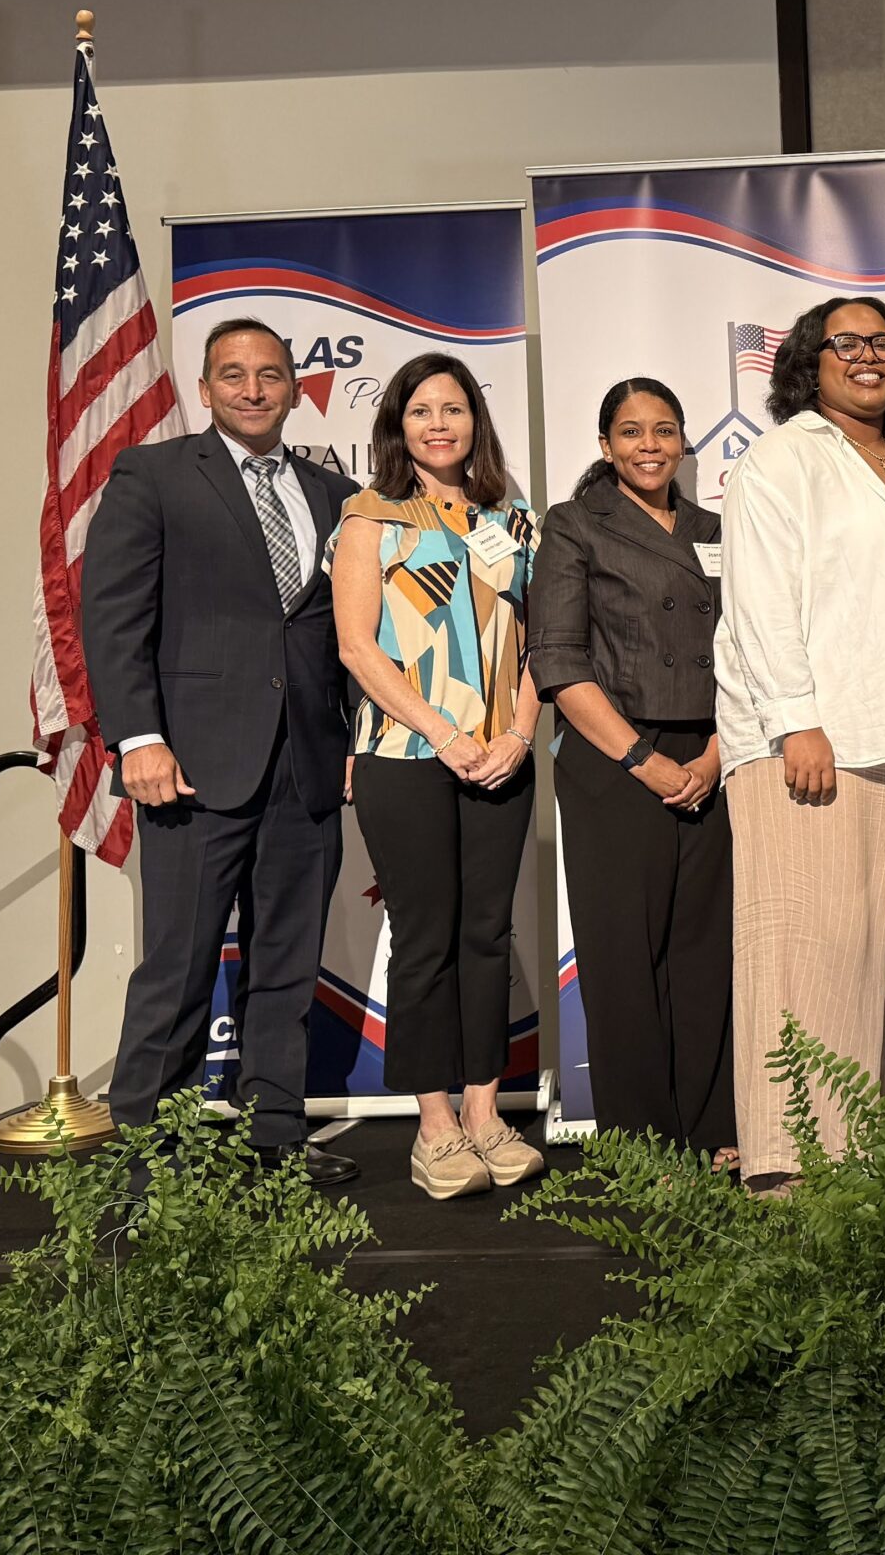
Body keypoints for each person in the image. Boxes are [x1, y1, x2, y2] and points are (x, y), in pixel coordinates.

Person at [714, 296, 885, 1190]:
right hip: (820, 724)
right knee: (813, 941)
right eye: (846, 343)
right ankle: (793, 1155)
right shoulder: (782, 460)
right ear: (811, 360)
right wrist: (795, 719)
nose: (867, 357)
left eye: (882, 343)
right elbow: (758, 601)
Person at [83, 317, 359, 1184]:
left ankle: (273, 1143)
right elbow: (114, 615)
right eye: (233, 375)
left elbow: (334, 633)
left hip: (304, 769)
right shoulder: (154, 475)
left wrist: (349, 739)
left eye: (270, 374)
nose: (252, 388)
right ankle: (147, 1164)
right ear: (205, 390)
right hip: (191, 767)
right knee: (178, 969)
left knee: (287, 969)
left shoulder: (330, 492)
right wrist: (139, 737)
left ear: (292, 388)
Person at [329, 353, 545, 1200]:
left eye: (453, 409)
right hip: (405, 758)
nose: (439, 424)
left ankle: (487, 1114)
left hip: (503, 759)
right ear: (398, 426)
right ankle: (436, 1127)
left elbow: (541, 641)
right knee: (425, 941)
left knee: (488, 937)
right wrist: (445, 733)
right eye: (421, 411)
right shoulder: (369, 516)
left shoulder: (514, 517)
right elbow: (356, 647)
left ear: (474, 422)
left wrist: (521, 733)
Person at [527, 378, 736, 1162]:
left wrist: (716, 752)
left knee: (705, 953)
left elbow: (752, 648)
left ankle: (716, 1128)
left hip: (716, 754)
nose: (648, 445)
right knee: (622, 958)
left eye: (664, 430)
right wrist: (644, 759)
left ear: (684, 442)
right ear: (606, 444)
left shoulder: (721, 526)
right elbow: (556, 657)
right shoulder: (578, 524)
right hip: (614, 761)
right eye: (630, 431)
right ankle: (645, 1150)